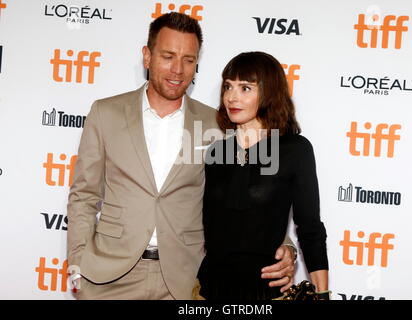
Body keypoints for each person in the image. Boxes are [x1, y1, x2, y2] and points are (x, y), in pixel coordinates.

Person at [67, 13, 295, 300]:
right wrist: (78, 261)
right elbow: (84, 196)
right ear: (147, 57)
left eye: (189, 59)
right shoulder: (105, 112)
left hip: (184, 280)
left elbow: (255, 197)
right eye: (168, 56)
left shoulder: (218, 124)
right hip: (109, 278)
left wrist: (286, 246)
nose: (178, 69)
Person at [193, 51, 330, 300]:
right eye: (228, 87)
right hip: (208, 290)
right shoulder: (216, 151)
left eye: (245, 88)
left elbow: (310, 228)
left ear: (268, 93)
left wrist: (322, 294)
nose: (232, 97)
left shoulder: (294, 150)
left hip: (265, 293)